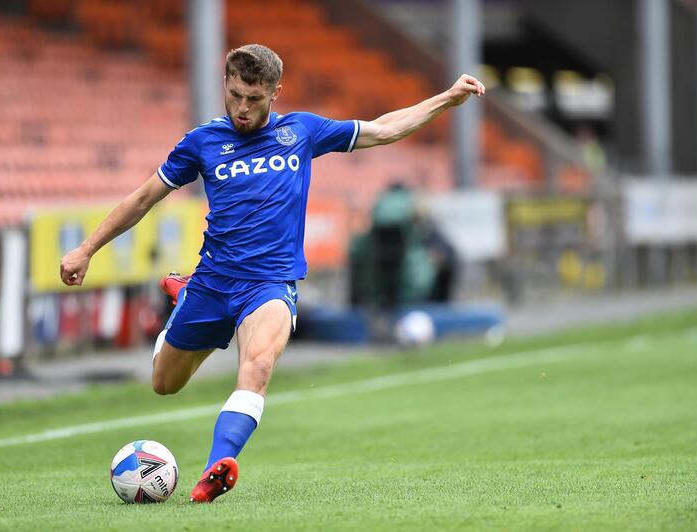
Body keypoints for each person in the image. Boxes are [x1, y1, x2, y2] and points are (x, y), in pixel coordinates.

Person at [60, 44, 485, 503]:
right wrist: (86, 250)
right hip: (212, 283)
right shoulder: (202, 142)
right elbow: (144, 198)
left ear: (275, 93)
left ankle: (213, 471)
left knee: (257, 365)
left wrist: (445, 99)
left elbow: (383, 129)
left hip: (269, 284)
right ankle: (184, 299)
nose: (243, 108)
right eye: (237, 95)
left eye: (255, 98)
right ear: (225, 82)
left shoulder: (300, 131)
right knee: (165, 384)